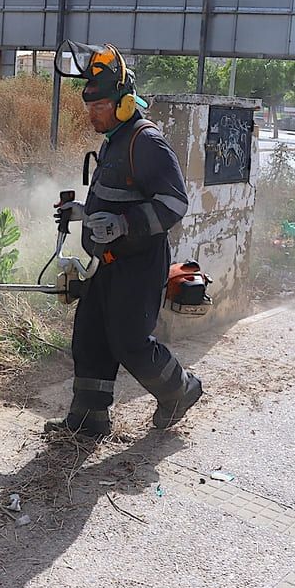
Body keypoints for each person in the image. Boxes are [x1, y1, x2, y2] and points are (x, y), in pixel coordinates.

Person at [46, 44, 202, 439]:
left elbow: (175, 202)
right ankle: (89, 420)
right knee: (89, 337)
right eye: (89, 106)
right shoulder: (114, 139)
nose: (92, 114)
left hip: (138, 265)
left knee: (129, 342)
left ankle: (180, 390)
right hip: (106, 263)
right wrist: (83, 213)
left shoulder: (145, 141)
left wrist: (122, 224)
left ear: (125, 102)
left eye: (99, 106)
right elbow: (117, 197)